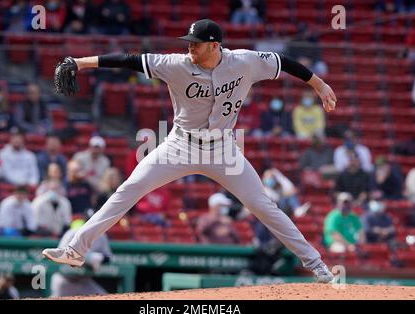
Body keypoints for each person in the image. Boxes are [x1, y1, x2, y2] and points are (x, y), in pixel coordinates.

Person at [44, 19, 337, 282]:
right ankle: (75, 250)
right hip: (179, 145)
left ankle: (316, 265)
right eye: (190, 43)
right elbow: (128, 60)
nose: (191, 48)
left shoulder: (244, 61)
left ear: (214, 45)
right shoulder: (176, 64)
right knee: (128, 189)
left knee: (262, 205)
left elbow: (284, 61)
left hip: (223, 149)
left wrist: (319, 84)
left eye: (196, 44)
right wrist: (80, 63)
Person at [50, 216, 112, 297]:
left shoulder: (101, 236)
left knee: (105, 297)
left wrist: (99, 258)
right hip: (65, 280)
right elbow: (60, 254)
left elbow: (108, 257)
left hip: (84, 281)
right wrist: (89, 258)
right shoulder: (72, 233)